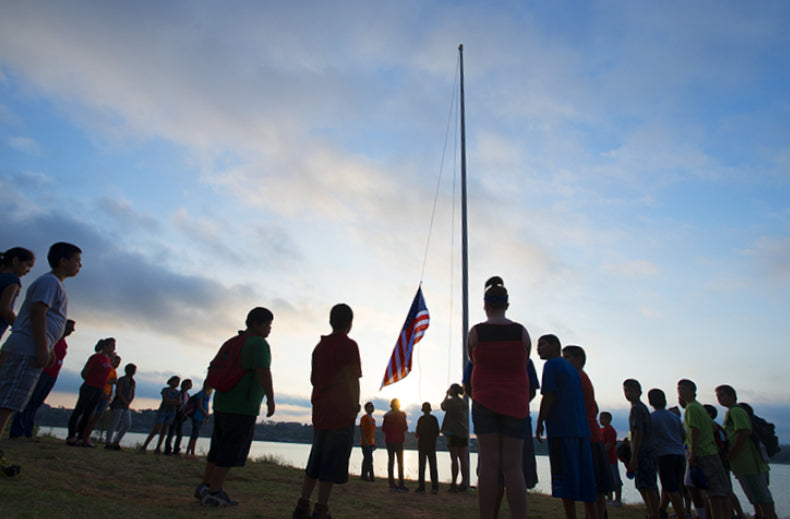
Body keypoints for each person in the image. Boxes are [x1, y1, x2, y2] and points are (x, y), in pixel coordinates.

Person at [0, 242, 81, 475]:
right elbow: (37, 313)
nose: (79, 265)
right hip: (27, 348)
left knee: (10, 402)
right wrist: (41, 347)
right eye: (76, 260)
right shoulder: (49, 282)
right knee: (6, 401)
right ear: (62, 261)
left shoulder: (55, 285)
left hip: (32, 347)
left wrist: (50, 345)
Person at [195, 307, 276, 507]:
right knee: (231, 450)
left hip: (222, 402)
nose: (269, 329)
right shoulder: (258, 343)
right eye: (267, 324)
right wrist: (271, 399)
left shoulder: (232, 342)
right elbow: (263, 372)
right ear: (255, 324)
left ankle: (206, 485)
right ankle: (214, 492)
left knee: (217, 447)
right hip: (242, 405)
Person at [291, 303, 361, 519]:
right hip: (340, 412)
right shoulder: (349, 346)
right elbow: (353, 380)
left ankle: (303, 504)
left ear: (331, 321)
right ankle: (321, 508)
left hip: (321, 410)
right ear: (350, 323)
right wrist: (354, 406)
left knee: (317, 457)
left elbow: (314, 379)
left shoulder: (319, 348)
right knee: (331, 462)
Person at [468, 281, 530, 519]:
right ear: (507, 304)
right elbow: (523, 362)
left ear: (485, 305)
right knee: (514, 466)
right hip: (516, 402)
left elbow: (472, 360)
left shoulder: (476, 332)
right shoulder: (522, 332)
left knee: (489, 465)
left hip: (484, 400)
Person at [535, 334, 596, 519]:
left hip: (562, 430)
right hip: (581, 431)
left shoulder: (552, 365)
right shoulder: (572, 370)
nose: (538, 349)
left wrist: (539, 422)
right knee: (586, 480)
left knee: (565, 480)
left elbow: (549, 395)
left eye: (542, 344)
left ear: (555, 345)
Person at [563, 345, 613, 519]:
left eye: (567, 357)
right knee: (594, 484)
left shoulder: (577, 377)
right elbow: (595, 407)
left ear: (579, 359)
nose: (564, 360)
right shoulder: (582, 377)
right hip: (590, 435)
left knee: (593, 484)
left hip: (588, 437)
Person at [715, 385, 777, 519]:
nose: (719, 398)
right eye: (718, 396)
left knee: (762, 496)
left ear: (732, 396)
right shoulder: (731, 412)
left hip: (749, 463)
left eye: (722, 395)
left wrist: (732, 453)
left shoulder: (736, 411)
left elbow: (744, 432)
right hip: (744, 464)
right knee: (755, 497)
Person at [10, 319, 75, 439]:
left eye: (72, 329)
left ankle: (28, 431)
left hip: (52, 376)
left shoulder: (63, 344)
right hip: (43, 373)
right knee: (29, 401)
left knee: (36, 403)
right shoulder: (51, 340)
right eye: (69, 328)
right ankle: (17, 430)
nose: (71, 331)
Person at [677, 379, 732, 519]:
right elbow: (712, 427)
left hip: (703, 453)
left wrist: (693, 453)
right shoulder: (698, 407)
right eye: (679, 389)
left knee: (713, 492)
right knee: (719, 490)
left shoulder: (692, 408)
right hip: (710, 452)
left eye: (683, 389)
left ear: (692, 392)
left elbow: (695, 430)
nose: (680, 392)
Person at [66, 337, 116, 447]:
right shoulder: (95, 357)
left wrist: (102, 389)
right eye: (112, 345)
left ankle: (81, 438)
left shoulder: (108, 360)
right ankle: (71, 436)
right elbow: (85, 373)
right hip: (89, 387)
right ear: (105, 346)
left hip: (99, 389)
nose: (114, 348)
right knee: (79, 411)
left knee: (88, 414)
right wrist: (92, 381)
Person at [623, 379, 660, 519]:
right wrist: (629, 441)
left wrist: (634, 456)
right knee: (643, 484)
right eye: (625, 390)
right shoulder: (639, 408)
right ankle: (652, 512)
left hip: (644, 452)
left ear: (639, 392)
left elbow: (639, 431)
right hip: (646, 451)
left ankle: (654, 514)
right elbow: (633, 431)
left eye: (631, 390)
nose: (628, 393)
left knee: (647, 485)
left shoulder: (637, 408)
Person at [83, 353, 120, 445]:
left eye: (119, 362)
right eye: (116, 361)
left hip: (106, 396)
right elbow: (101, 380)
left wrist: (109, 397)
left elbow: (112, 386)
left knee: (96, 417)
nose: (117, 364)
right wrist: (104, 389)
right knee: (90, 416)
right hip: (99, 393)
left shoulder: (114, 371)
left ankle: (86, 437)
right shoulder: (105, 369)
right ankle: (79, 434)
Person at [139, 375, 181, 454]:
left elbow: (179, 402)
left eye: (178, 382)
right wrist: (173, 402)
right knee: (156, 429)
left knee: (164, 430)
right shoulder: (165, 390)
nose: (176, 383)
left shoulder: (178, 393)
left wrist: (171, 401)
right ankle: (144, 446)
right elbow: (165, 400)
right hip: (163, 411)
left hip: (171, 412)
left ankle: (158, 448)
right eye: (175, 381)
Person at [0, 247, 35, 339]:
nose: (28, 270)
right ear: (15, 260)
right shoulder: (12, 280)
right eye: (28, 265)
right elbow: (4, 309)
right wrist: (21, 328)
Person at [441, 383, 469, 492]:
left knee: (454, 459)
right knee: (463, 459)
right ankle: (464, 482)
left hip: (453, 433)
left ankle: (453, 483)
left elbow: (443, 406)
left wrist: (446, 395)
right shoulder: (463, 402)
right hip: (463, 432)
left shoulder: (450, 402)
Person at [105, 362, 136, 450]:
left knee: (127, 424)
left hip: (126, 405)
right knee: (114, 423)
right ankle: (108, 442)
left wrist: (128, 403)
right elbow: (118, 392)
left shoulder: (132, 382)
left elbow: (132, 393)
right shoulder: (121, 380)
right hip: (118, 404)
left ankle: (116, 441)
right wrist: (124, 401)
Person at [382, 398, 409, 492]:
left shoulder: (386, 416)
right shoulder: (402, 415)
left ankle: (391, 484)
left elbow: (383, 429)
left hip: (389, 441)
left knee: (391, 462)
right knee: (400, 462)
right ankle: (401, 484)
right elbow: (405, 428)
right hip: (399, 440)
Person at [599, 411, 623, 507]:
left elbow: (609, 444)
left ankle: (617, 500)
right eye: (600, 418)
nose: (601, 420)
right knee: (607, 479)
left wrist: (601, 452)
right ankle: (609, 498)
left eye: (603, 418)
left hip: (611, 460)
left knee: (615, 480)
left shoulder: (611, 430)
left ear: (609, 419)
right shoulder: (601, 430)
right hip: (604, 461)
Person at [416, 401, 440, 494]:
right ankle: (435, 487)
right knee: (433, 465)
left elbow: (418, 432)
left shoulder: (421, 419)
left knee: (422, 465)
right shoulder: (434, 419)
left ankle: (422, 486)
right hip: (431, 445)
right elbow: (437, 432)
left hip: (422, 445)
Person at [164, 378, 193, 456]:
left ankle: (176, 450)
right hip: (176, 415)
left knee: (179, 434)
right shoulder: (179, 394)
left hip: (182, 416)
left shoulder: (187, 395)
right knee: (171, 432)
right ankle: (167, 450)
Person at [185, 383, 213, 457]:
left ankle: (192, 451)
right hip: (197, 416)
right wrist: (206, 414)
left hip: (202, 417)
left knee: (196, 434)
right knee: (194, 434)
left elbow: (206, 405)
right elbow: (200, 406)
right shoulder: (201, 393)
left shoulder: (207, 395)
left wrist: (207, 416)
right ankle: (188, 452)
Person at [359, 401, 376, 481]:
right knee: (368, 458)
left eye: (372, 406)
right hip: (365, 442)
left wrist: (374, 443)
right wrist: (365, 440)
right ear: (366, 408)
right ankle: (367, 476)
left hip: (371, 442)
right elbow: (361, 428)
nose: (371, 408)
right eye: (370, 406)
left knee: (368, 459)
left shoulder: (373, 419)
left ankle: (366, 475)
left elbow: (373, 432)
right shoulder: (364, 418)